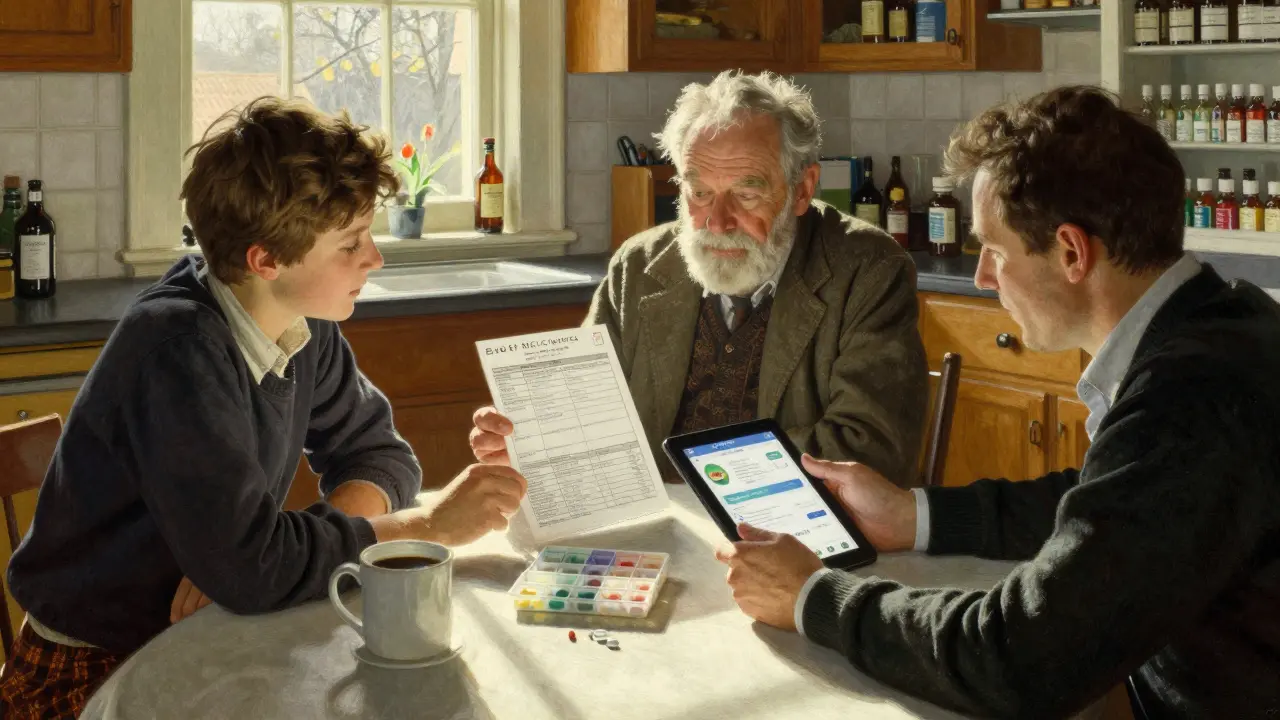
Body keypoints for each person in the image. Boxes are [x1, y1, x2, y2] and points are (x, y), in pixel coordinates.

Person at [714, 85, 1280, 720]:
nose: (982, 276)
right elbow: (1112, 507)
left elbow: (1017, 656)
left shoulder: (1190, 401)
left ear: (1071, 252)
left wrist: (813, 596)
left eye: (994, 249)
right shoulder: (1229, 319)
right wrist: (914, 516)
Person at [1, 97, 527, 718]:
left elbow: (379, 455)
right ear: (266, 259)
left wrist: (272, 558)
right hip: (94, 669)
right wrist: (424, 528)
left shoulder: (298, 319)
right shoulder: (178, 350)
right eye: (351, 243)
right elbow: (252, 571)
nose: (374, 259)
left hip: (212, 630)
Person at [471, 71, 928, 487]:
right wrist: (531, 439)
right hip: (658, 535)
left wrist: (702, 478)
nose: (718, 221)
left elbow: (868, 451)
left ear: (803, 189)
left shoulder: (868, 270)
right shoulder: (638, 267)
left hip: (796, 543)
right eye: (700, 193)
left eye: (747, 194)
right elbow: (587, 417)